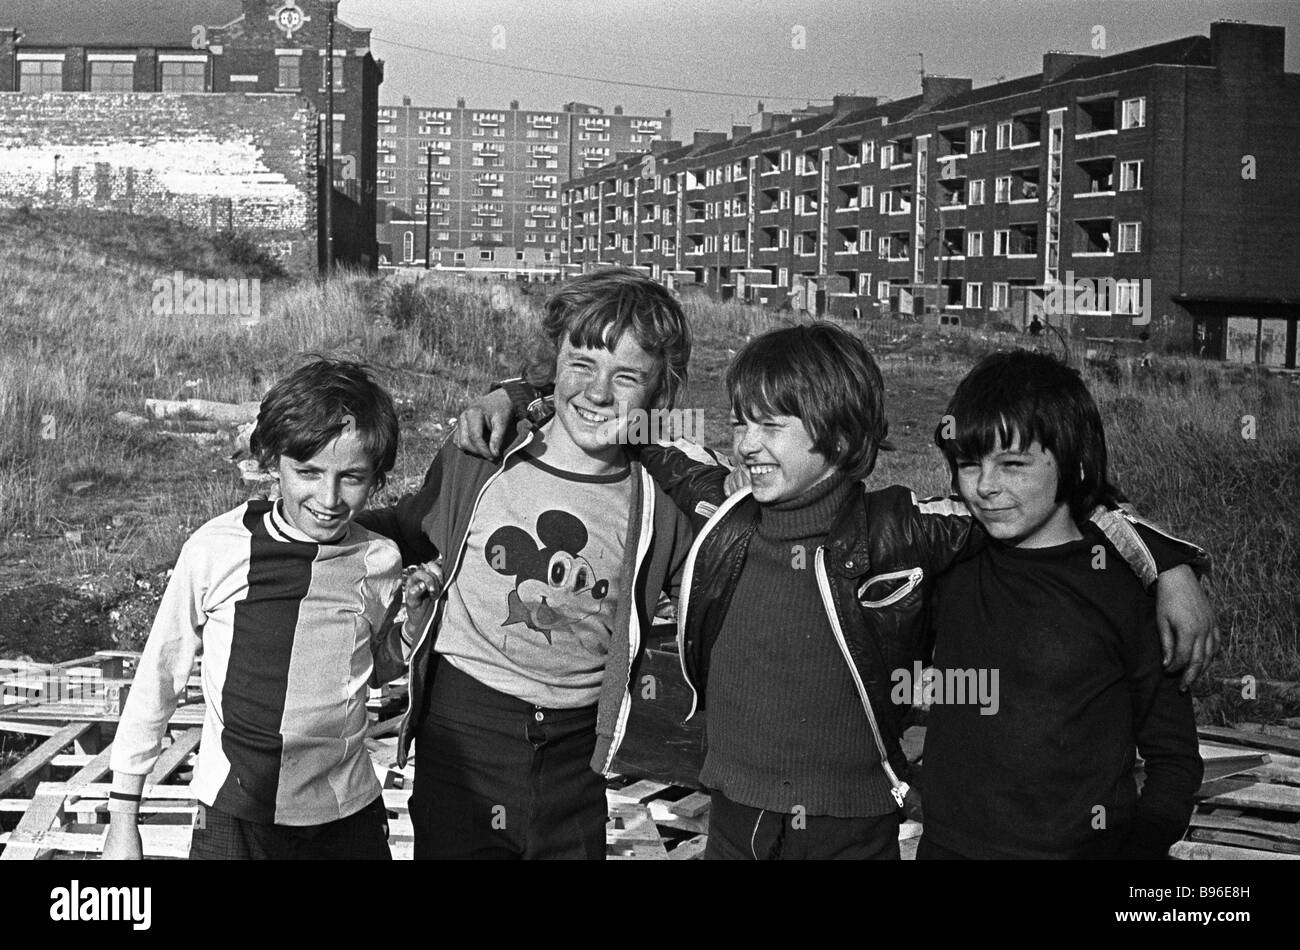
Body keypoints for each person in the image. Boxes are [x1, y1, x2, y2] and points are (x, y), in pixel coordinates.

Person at [462, 323, 1214, 859]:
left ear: (841, 433)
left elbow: (1045, 499)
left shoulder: (903, 531)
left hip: (850, 827)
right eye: (740, 422)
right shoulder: (720, 508)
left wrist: (1166, 558)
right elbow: (638, 425)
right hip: (733, 815)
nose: (747, 443)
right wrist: (524, 392)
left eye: (773, 426)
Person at [359, 267, 695, 859]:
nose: (596, 392)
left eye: (626, 378)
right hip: (466, 730)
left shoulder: (660, 507)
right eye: (582, 363)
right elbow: (410, 529)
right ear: (554, 360)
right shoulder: (484, 456)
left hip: (577, 751)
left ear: (658, 394)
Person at [105, 359, 405, 860]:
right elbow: (159, 676)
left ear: (376, 477)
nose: (328, 498)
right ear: (270, 461)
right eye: (307, 472)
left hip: (345, 815)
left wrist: (412, 631)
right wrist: (122, 818)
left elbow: (373, 671)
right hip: (236, 816)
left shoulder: (380, 559)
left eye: (351, 477)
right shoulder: (216, 549)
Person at [919, 350, 1203, 858]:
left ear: (1071, 462)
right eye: (968, 465)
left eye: (1013, 464)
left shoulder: (1123, 590)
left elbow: (1174, 757)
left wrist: (1139, 847)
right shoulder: (951, 565)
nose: (985, 486)